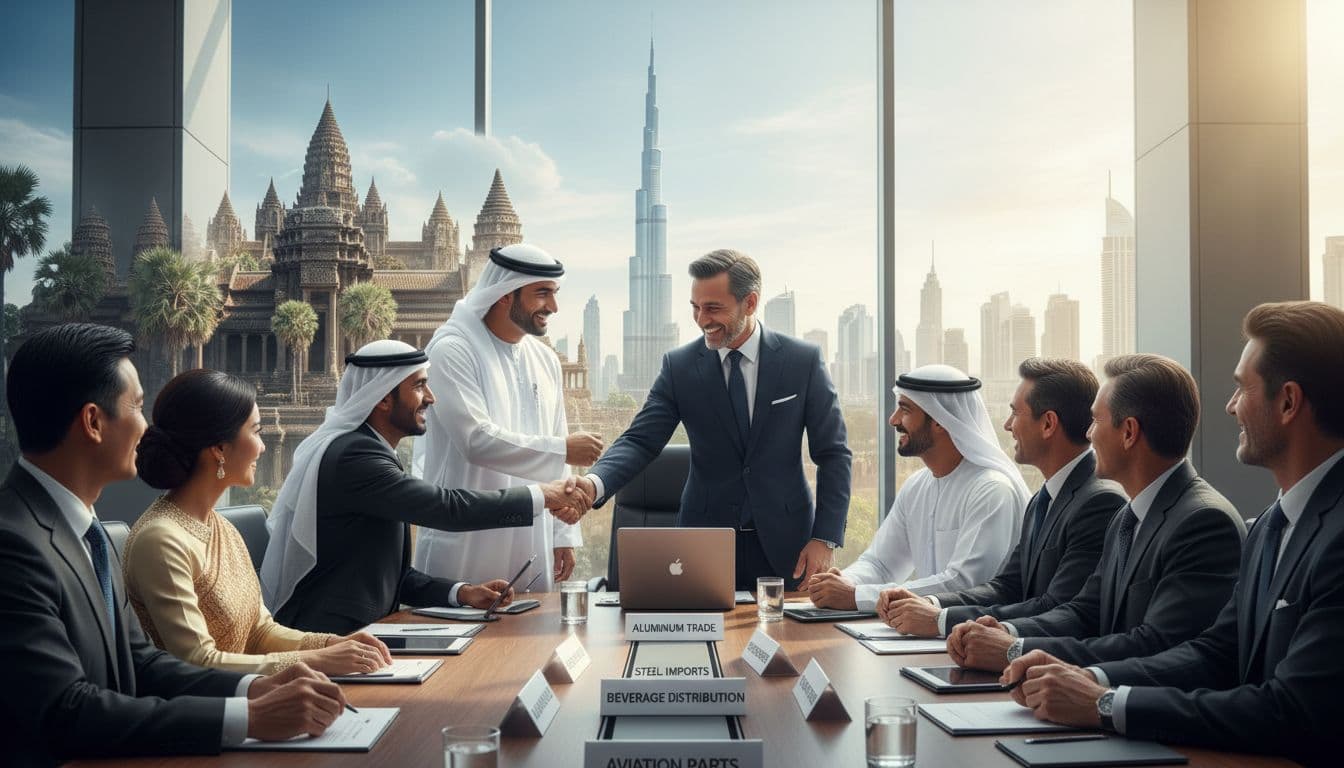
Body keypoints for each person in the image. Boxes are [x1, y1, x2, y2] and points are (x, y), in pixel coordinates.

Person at [1003, 302, 1344, 767]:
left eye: (1242, 388)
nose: (1229, 406)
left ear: (1287, 401)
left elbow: (1292, 710)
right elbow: (1215, 652)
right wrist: (1090, 678)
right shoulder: (1270, 525)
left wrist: (1105, 704)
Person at [0, 323, 351, 766]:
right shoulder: (13, 545)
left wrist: (255, 688)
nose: (147, 428)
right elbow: (67, 710)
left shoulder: (88, 533)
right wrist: (248, 717)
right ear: (93, 422)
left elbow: (141, 662)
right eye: (138, 407)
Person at [261, 340, 587, 635]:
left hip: (365, 636)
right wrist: (542, 495)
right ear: (384, 398)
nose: (430, 398)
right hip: (331, 641)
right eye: (419, 386)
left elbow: (394, 577)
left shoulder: (368, 450)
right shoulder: (355, 456)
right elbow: (447, 508)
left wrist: (462, 592)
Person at [949, 353, 1245, 672]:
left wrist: (1015, 650)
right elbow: (1085, 611)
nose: (1088, 435)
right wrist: (1006, 634)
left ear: (1129, 432)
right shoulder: (1127, 516)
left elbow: (1155, 644)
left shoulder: (1203, 523)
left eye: (1096, 421)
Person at [577, 249, 852, 589]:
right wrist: (593, 484)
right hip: (700, 547)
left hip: (790, 548)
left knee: (787, 642)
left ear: (749, 303)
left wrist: (825, 538)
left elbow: (834, 454)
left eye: (713, 308)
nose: (701, 318)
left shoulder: (802, 361)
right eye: (695, 307)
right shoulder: (679, 367)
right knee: (703, 639)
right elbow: (639, 440)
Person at [124, 369, 392, 675]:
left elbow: (259, 631)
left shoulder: (222, 528)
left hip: (251, 699)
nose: (263, 446)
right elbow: (196, 661)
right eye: (256, 431)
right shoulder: (160, 540)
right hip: (201, 715)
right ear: (219, 448)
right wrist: (317, 660)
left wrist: (331, 643)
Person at [877, 358, 1126, 636]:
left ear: (1048, 424)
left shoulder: (1098, 503)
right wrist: (929, 603)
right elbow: (1006, 587)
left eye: (1015, 413)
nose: (1007, 426)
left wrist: (940, 620)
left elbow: (1058, 606)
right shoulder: (1043, 499)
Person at [413, 244, 598, 591]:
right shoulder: (451, 349)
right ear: (504, 295)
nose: (553, 307)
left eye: (554, 294)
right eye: (542, 294)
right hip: (467, 543)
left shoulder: (544, 360)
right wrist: (562, 449)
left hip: (533, 536)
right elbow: (476, 440)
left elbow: (559, 450)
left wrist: (563, 533)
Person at [808, 364, 1029, 611]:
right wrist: (842, 582)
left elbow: (966, 584)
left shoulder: (991, 490)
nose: (894, 420)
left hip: (975, 637)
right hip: (922, 631)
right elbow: (881, 564)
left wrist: (856, 595)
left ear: (940, 421)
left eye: (905, 410)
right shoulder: (916, 486)